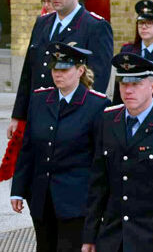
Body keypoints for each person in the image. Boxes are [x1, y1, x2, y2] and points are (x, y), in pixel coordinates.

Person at [83, 53, 153, 251]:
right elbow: (98, 184)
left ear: (152, 87)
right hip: (113, 238)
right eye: (124, 84)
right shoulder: (108, 120)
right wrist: (90, 236)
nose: (128, 90)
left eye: (136, 84)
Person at [10, 43, 107, 252]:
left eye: (64, 69)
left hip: (76, 202)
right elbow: (28, 149)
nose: (58, 74)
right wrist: (17, 190)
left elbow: (100, 159)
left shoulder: (97, 106)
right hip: (42, 199)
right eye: (55, 69)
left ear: (80, 71)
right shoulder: (39, 100)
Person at [9, 0, 113, 142]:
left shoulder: (95, 26)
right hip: (39, 112)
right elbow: (29, 71)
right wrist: (18, 115)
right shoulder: (43, 22)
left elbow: (98, 77)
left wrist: (84, 116)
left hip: (72, 115)